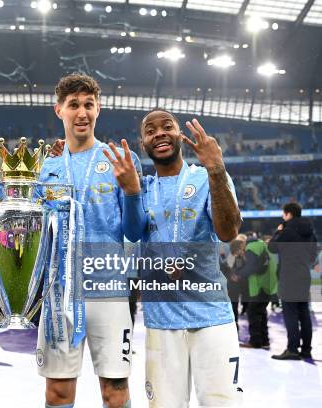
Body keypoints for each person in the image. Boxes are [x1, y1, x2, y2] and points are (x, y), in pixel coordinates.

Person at [36, 73, 145, 408]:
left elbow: (134, 231)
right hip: (58, 293)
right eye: (74, 105)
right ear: (59, 110)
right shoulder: (45, 166)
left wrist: (130, 190)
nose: (81, 112)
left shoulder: (119, 160)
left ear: (99, 109)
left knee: (115, 390)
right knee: (58, 390)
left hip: (108, 289)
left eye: (88, 105)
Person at [139, 109, 242, 407]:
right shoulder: (142, 188)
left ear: (179, 135)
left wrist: (217, 169)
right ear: (143, 142)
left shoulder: (207, 176)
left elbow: (228, 231)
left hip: (211, 318)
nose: (159, 133)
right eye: (150, 130)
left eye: (166, 126)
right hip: (161, 323)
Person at [269, 202, 318, 360]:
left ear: (288, 214)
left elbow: (272, 247)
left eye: (284, 214)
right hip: (304, 275)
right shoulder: (311, 232)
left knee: (290, 313)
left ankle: (292, 349)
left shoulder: (287, 229)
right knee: (304, 312)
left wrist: (278, 231)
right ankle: (306, 350)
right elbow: (313, 256)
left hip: (289, 275)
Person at [231, 233, 277, 349]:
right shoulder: (260, 244)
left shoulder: (251, 248)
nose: (242, 255)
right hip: (267, 284)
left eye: (240, 253)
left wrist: (238, 274)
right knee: (261, 312)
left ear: (241, 247)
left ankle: (255, 341)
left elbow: (251, 267)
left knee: (253, 312)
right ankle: (264, 341)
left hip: (260, 285)